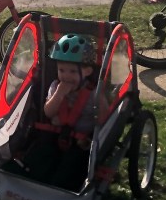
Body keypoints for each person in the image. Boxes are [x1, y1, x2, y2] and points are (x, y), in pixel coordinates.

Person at [8, 34, 110, 190]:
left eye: (72, 72)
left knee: (71, 164)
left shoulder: (93, 93)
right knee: (41, 154)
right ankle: (33, 178)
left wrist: (101, 100)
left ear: (88, 71)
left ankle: (61, 186)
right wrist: (59, 95)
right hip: (54, 134)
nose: (66, 76)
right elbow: (48, 113)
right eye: (61, 70)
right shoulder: (56, 86)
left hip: (81, 141)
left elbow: (103, 119)